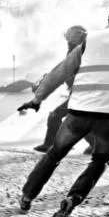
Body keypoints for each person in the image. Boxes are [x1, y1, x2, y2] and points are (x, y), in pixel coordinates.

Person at [17, 1, 109, 217]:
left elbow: (60, 71)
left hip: (80, 112)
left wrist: (37, 99)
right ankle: (72, 200)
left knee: (55, 154)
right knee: (99, 161)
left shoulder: (91, 39)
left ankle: (27, 196)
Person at [32, 25, 94, 155]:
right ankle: (93, 145)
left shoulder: (81, 52)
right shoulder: (81, 51)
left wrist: (46, 84)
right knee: (76, 121)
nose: (68, 41)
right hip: (81, 93)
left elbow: (65, 73)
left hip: (82, 94)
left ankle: (49, 145)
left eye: (70, 38)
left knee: (59, 117)